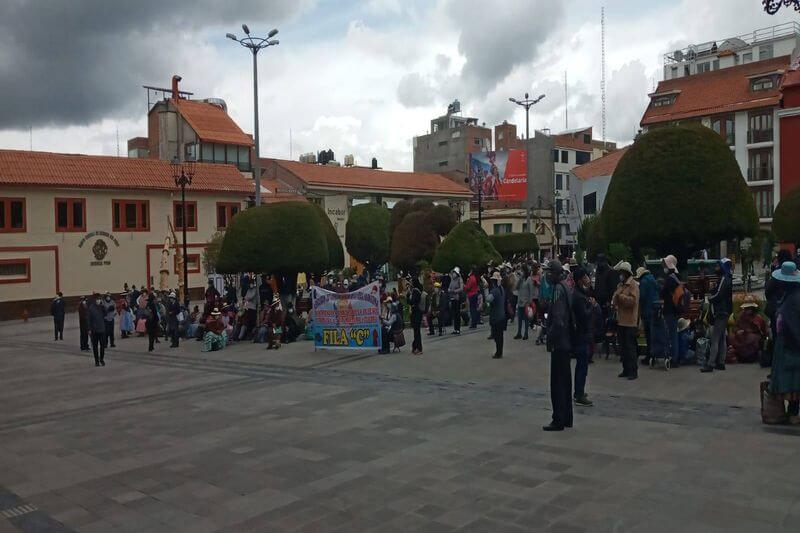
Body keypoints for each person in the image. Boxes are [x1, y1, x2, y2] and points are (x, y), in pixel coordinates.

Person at [543, 260, 574, 431]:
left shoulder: (557, 290)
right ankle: (567, 417)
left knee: (558, 383)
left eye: (549, 272)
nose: (547, 275)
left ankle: (558, 419)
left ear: (555, 273)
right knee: (566, 381)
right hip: (566, 341)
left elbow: (559, 320)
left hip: (560, 342)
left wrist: (550, 337)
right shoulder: (566, 286)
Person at [769, 261, 800, 423]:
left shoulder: (794, 298)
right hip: (787, 342)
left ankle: (793, 412)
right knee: (790, 379)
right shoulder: (789, 295)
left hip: (791, 344)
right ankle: (791, 411)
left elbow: (793, 323)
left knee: (793, 380)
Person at [702, 258, 733, 373]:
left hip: (720, 311)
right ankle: (720, 362)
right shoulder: (725, 278)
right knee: (721, 338)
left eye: (718, 265)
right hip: (724, 311)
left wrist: (710, 298)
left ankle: (710, 364)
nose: (716, 267)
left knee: (715, 338)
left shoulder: (724, 279)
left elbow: (719, 294)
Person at [612, 261, 640, 380]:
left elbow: (632, 302)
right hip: (621, 320)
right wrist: (616, 298)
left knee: (630, 347)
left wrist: (621, 297)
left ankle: (633, 371)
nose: (621, 275)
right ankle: (625, 369)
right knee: (623, 347)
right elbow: (614, 299)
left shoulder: (633, 285)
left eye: (622, 272)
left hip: (630, 322)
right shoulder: (620, 285)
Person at [572, 267, 595, 406]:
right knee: (582, 365)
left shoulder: (582, 293)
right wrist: (591, 306)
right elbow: (584, 316)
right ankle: (579, 393)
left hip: (583, 333)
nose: (588, 278)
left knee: (583, 365)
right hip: (581, 334)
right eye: (586, 276)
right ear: (581, 279)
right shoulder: (578, 296)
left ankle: (579, 390)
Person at [729, 294, 768, 364]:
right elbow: (736, 327)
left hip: (754, 335)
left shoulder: (757, 317)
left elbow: (762, 331)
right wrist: (738, 331)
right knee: (732, 337)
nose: (748, 310)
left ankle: (751, 356)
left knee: (751, 338)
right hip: (742, 335)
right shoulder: (741, 316)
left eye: (750, 308)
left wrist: (751, 330)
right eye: (747, 308)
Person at [660, 254, 681, 367]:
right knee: (674, 335)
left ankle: (673, 358)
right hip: (675, 310)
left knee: (671, 335)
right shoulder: (676, 278)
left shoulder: (670, 279)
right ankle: (675, 357)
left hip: (669, 310)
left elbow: (662, 293)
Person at [636, 267, 659, 366]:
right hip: (655, 309)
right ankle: (654, 354)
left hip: (647, 310)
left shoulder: (644, 282)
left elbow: (642, 296)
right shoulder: (653, 279)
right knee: (654, 334)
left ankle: (650, 356)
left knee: (648, 335)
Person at [487, 271, 506, 359]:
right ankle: (500, 352)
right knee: (500, 336)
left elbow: (488, 299)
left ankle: (498, 353)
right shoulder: (502, 289)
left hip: (496, 316)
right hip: (502, 315)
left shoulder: (494, 291)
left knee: (497, 336)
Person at [514, 266, 533, 340]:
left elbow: (531, 291)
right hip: (520, 300)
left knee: (526, 319)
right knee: (519, 318)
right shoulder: (521, 279)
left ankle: (526, 333)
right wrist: (520, 279)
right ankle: (519, 333)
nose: (521, 272)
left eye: (522, 271)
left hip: (526, 301)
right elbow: (516, 287)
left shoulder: (529, 279)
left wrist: (530, 301)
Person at [87, 294, 107, 366]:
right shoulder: (91, 308)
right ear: (94, 300)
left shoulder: (101, 307)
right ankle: (96, 360)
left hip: (101, 329)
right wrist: (89, 329)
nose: (99, 301)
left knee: (102, 346)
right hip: (94, 330)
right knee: (95, 347)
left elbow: (105, 314)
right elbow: (88, 320)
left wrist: (103, 307)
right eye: (97, 299)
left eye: (100, 299)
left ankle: (101, 359)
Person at [409, 278, 424, 355]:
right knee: (416, 331)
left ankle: (419, 348)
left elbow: (412, 301)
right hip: (417, 312)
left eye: (411, 281)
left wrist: (409, 295)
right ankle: (415, 346)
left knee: (417, 331)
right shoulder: (416, 290)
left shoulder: (415, 291)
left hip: (416, 313)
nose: (410, 283)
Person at [448, 267, 464, 335]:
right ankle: (455, 328)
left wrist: (454, 291)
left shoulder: (459, 279)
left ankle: (458, 329)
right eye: (453, 273)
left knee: (457, 314)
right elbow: (449, 287)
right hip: (452, 298)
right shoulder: (452, 280)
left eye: (454, 273)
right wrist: (449, 290)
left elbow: (461, 288)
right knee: (454, 314)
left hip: (457, 298)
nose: (453, 274)